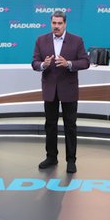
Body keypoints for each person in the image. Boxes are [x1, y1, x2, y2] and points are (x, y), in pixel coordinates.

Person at [31, 11, 90, 174]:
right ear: (50, 23)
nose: (56, 26)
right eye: (54, 23)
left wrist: (69, 63)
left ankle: (71, 160)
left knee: (70, 126)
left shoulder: (76, 40)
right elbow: (34, 62)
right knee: (50, 125)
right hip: (50, 89)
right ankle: (51, 157)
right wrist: (43, 65)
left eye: (59, 23)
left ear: (65, 24)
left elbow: (85, 62)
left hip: (68, 89)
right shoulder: (41, 40)